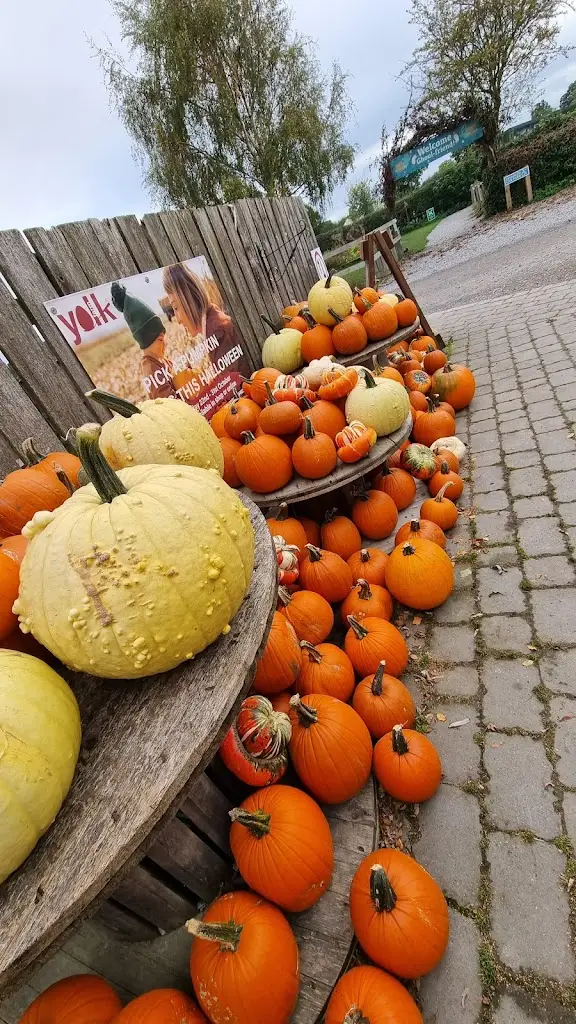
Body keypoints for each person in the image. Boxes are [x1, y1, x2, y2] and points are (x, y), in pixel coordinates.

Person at [110, 281, 176, 400]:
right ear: (148, 340)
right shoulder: (151, 368)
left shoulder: (160, 360)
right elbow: (169, 402)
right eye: (161, 339)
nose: (165, 343)